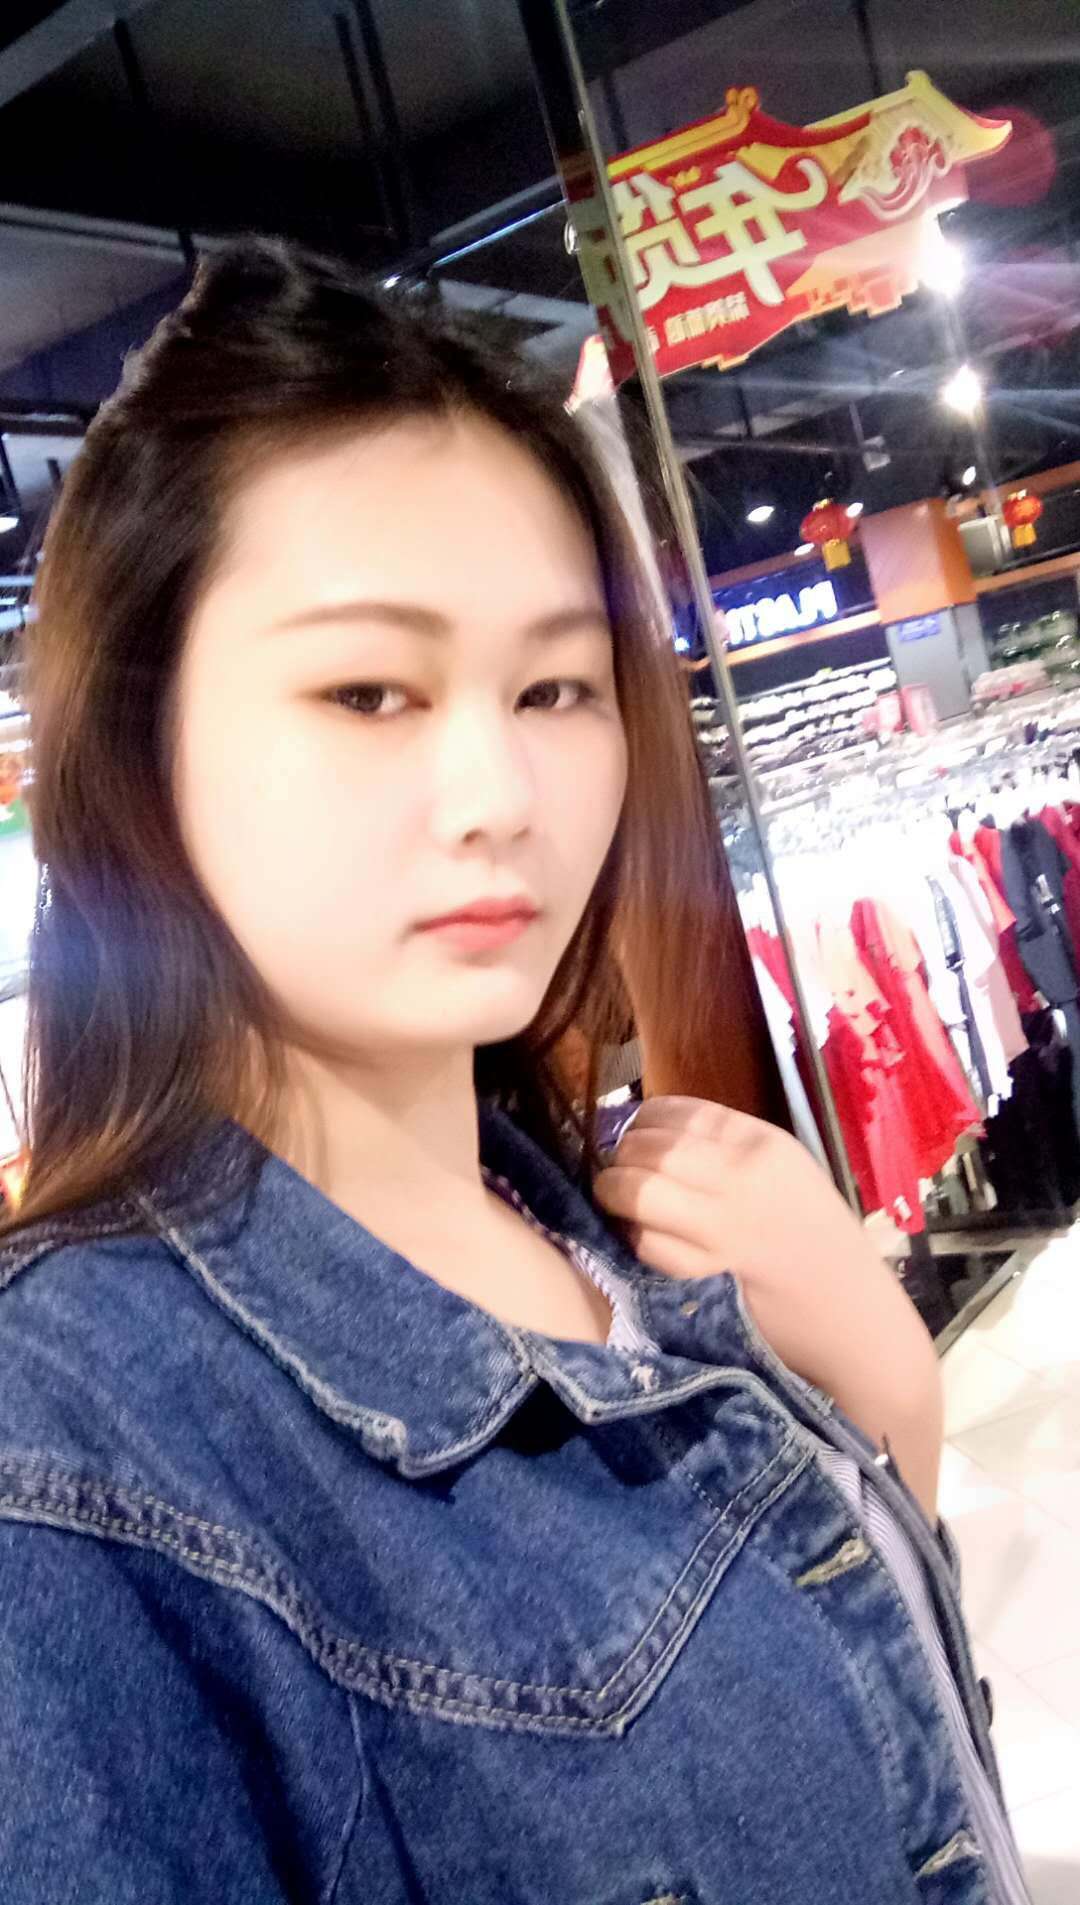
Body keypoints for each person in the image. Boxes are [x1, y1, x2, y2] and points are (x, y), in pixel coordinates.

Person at [0, 240, 1022, 1903]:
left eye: (556, 686)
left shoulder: (618, 1229)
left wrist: (884, 1405)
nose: (500, 793)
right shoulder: (71, 1459)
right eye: (368, 691)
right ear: (141, 736)